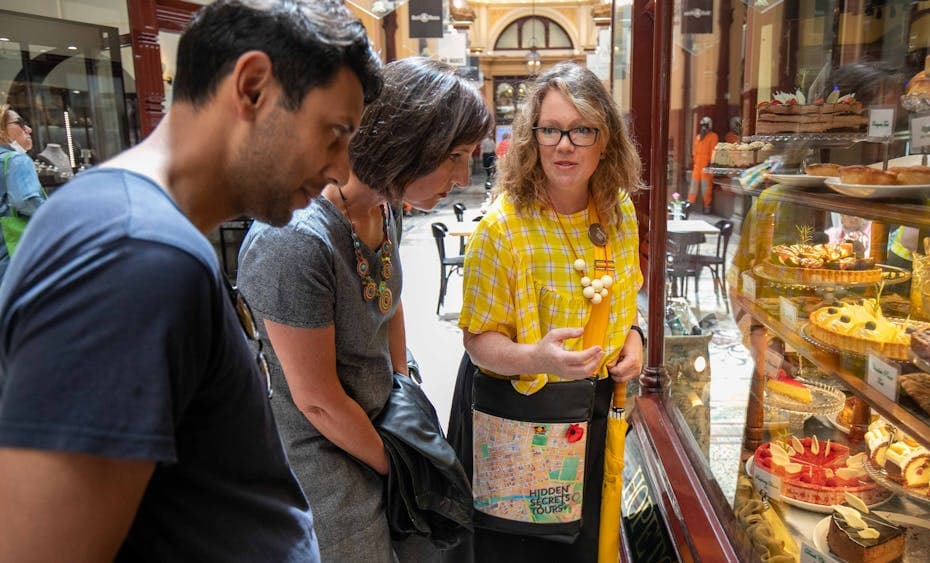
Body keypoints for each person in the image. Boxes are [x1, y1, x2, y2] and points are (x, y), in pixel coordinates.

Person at [0, 1, 381, 560]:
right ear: (252, 87)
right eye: (334, 133)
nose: (341, 169)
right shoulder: (134, 255)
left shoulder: (140, 234)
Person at [236, 57, 490, 562]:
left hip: (379, 427)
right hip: (322, 459)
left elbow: (389, 304)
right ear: (407, 142)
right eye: (454, 156)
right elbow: (316, 401)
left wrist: (402, 386)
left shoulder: (382, 205)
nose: (462, 177)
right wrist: (403, 467)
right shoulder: (293, 240)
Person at [454, 61, 645, 563]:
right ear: (531, 138)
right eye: (551, 130)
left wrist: (635, 338)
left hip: (599, 413)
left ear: (605, 140)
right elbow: (478, 342)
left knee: (587, 546)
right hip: (527, 427)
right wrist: (539, 358)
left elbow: (626, 299)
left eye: (582, 130)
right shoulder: (502, 229)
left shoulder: (620, 211)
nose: (565, 145)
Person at [0, 104, 46, 282]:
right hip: (14, 259)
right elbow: (25, 201)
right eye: (20, 123)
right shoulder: (16, 160)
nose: (28, 129)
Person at [689, 115, 717, 211]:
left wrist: (711, 163)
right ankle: (690, 203)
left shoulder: (713, 137)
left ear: (709, 126)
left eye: (705, 125)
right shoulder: (698, 138)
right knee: (693, 185)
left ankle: (707, 206)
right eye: (702, 125)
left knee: (706, 187)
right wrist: (695, 162)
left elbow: (714, 151)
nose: (703, 127)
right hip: (697, 166)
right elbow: (695, 152)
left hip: (706, 166)